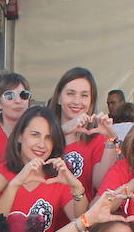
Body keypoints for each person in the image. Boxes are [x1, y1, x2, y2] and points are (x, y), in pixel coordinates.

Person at [48, 67, 123, 195]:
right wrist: (62, 131)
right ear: (59, 97)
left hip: (80, 207)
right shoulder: (42, 130)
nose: (77, 101)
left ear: (91, 101)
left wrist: (111, 139)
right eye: (70, 93)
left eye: (84, 95)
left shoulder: (97, 138)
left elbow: (100, 184)